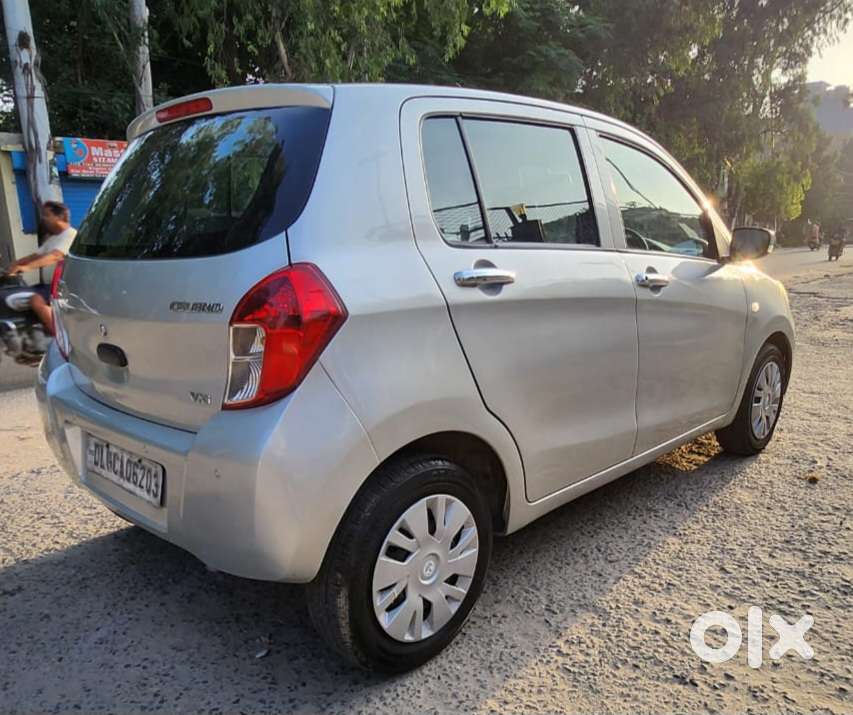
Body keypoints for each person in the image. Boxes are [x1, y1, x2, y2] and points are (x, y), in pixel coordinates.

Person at [4, 201, 76, 331]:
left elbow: (55, 256)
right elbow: (35, 256)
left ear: (59, 217)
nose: (43, 219)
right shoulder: (53, 238)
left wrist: (26, 268)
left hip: (66, 287)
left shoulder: (70, 234)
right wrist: (15, 264)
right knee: (23, 292)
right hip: (52, 285)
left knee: (35, 299)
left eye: (46, 215)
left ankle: (59, 335)